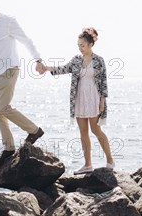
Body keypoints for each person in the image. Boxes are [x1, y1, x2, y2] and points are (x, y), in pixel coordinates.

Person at [0, 0, 46, 164]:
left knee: (4, 107)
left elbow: (26, 41)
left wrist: (38, 60)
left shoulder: (8, 21)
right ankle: (9, 148)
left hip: (9, 69)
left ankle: (34, 130)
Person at [40, 27, 114, 174]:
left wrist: (102, 101)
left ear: (90, 44)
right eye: (78, 45)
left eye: (83, 45)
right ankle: (88, 165)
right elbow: (64, 68)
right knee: (83, 132)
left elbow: (104, 82)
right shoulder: (76, 60)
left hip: (93, 98)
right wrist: (47, 68)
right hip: (79, 98)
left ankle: (110, 161)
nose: (80, 48)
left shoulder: (99, 60)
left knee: (96, 130)